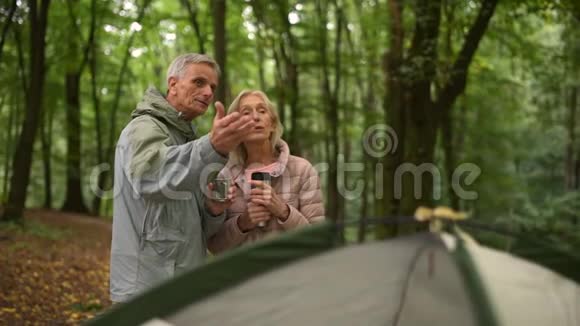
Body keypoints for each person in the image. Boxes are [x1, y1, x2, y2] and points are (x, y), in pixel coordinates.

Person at [109, 53, 255, 303]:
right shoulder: (145, 127)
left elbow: (200, 232)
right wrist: (213, 146)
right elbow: (149, 179)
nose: (208, 92)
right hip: (146, 290)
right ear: (173, 84)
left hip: (182, 286)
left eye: (212, 87)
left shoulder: (188, 140)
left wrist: (214, 210)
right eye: (199, 82)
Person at [207, 90, 325, 254]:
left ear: (273, 124)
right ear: (236, 127)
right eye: (246, 113)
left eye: (262, 111)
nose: (255, 117)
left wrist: (283, 211)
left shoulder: (303, 169)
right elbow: (214, 247)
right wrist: (243, 223)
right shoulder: (222, 176)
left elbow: (318, 241)